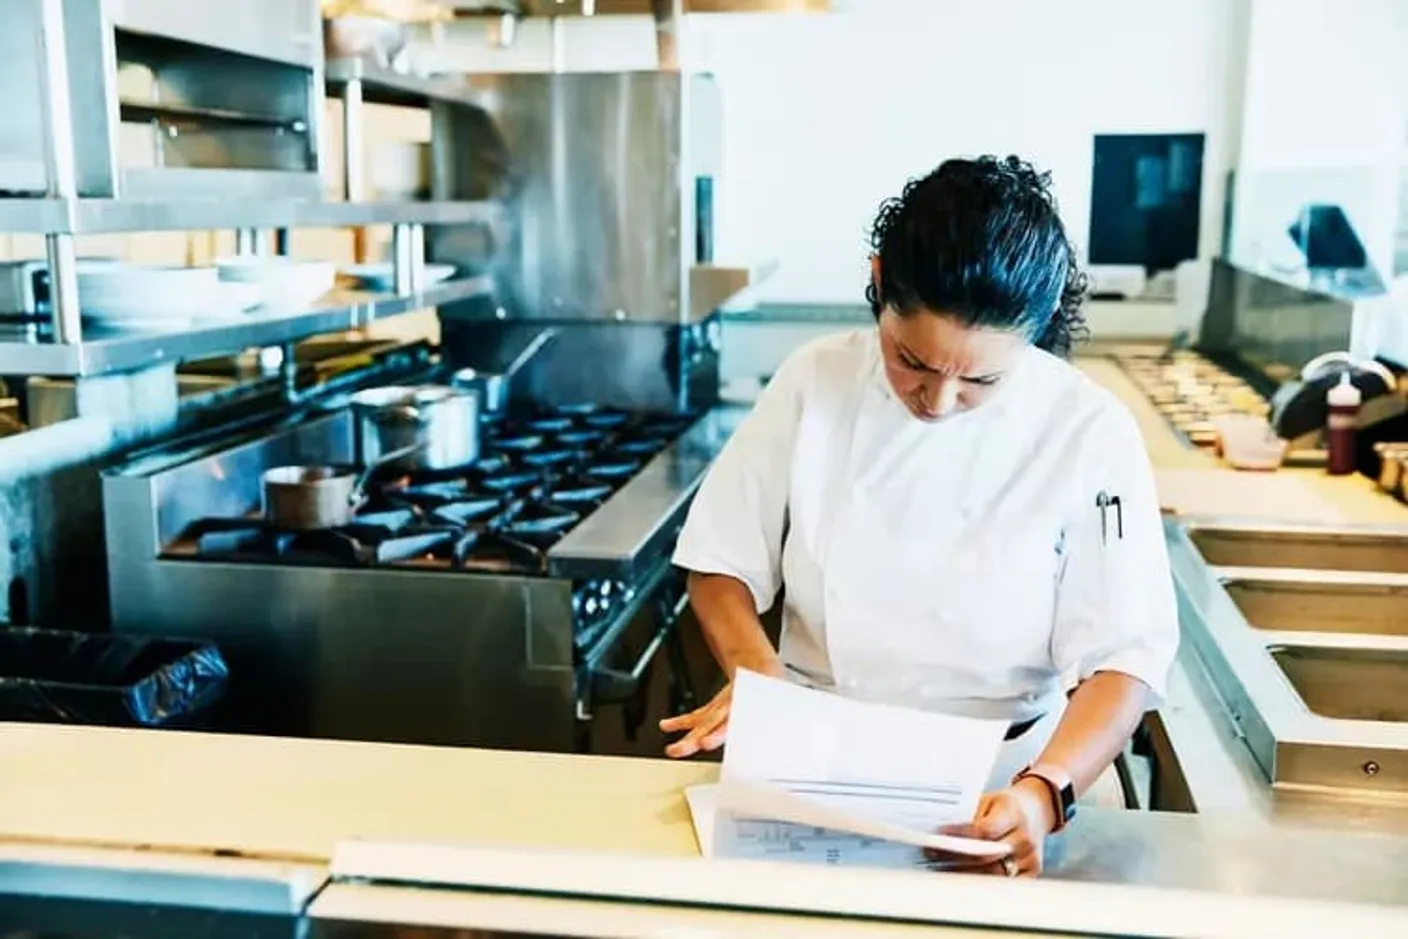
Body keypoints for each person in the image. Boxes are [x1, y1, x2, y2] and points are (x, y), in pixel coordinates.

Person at [661, 155, 1180, 877]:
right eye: (913, 361)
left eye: (982, 378)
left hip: (1001, 784)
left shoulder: (1089, 429)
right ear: (878, 282)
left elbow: (1126, 657)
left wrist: (1045, 793)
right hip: (814, 773)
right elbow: (720, 557)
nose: (937, 400)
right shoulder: (817, 380)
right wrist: (757, 672)